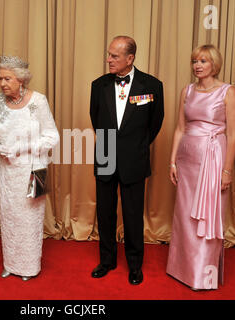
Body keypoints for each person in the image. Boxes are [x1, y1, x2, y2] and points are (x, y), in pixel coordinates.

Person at [89, 36, 164, 285]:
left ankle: (135, 265)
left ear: (130, 58)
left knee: (133, 215)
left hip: (135, 158)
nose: (108, 59)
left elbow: (155, 123)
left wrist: (137, 146)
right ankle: (107, 261)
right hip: (106, 154)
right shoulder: (98, 85)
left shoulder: (152, 85)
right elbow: (96, 119)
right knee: (105, 213)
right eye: (109, 54)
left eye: (114, 56)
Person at [166, 44, 235, 290]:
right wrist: (172, 160)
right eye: (195, 61)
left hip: (213, 159)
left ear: (214, 64)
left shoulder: (228, 92)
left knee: (209, 213)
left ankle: (203, 275)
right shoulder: (186, 91)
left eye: (203, 61)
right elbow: (179, 128)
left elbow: (234, 134)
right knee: (185, 214)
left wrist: (227, 170)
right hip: (187, 159)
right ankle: (181, 268)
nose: (197, 65)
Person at [0, 56, 59, 281]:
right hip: (7, 170)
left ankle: (29, 267)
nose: (2, 83)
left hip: (35, 169)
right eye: (0, 78)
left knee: (30, 219)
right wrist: (0, 147)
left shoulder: (38, 101)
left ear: (21, 79)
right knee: (10, 217)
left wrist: (23, 147)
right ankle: (11, 263)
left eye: (7, 78)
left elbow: (52, 136)